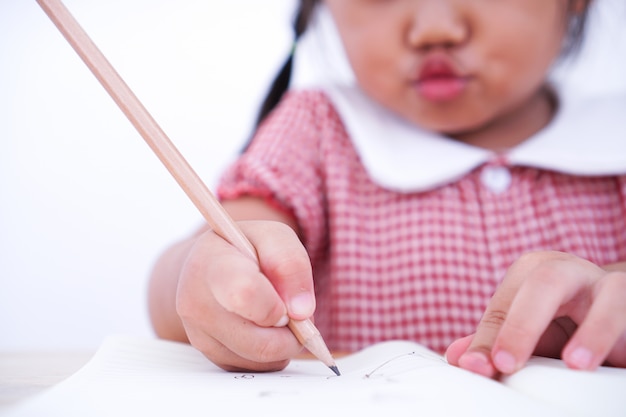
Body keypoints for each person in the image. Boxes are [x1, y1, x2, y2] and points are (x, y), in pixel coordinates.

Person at [148, 0, 626, 378]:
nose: (434, 28)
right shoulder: (315, 132)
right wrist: (202, 278)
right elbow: (209, 259)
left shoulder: (615, 138)